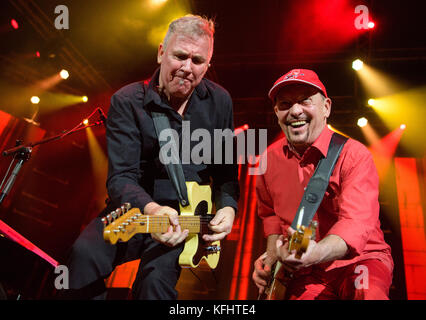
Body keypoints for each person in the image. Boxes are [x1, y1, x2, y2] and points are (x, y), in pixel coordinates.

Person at [64, 15, 239, 300]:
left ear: (208, 65)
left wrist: (229, 209)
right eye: (180, 56)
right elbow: (121, 178)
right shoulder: (128, 100)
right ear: (161, 53)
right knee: (81, 260)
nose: (186, 67)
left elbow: (226, 173)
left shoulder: (220, 102)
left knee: (154, 285)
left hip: (185, 220)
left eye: (197, 61)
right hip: (136, 210)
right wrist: (154, 210)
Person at [252, 69, 393, 300]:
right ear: (276, 112)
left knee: (369, 294)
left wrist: (315, 253)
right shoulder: (267, 161)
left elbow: (355, 223)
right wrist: (270, 260)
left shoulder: (353, 154)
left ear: (326, 107)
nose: (295, 110)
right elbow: (270, 216)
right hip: (305, 271)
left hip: (360, 260)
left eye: (305, 100)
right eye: (285, 104)